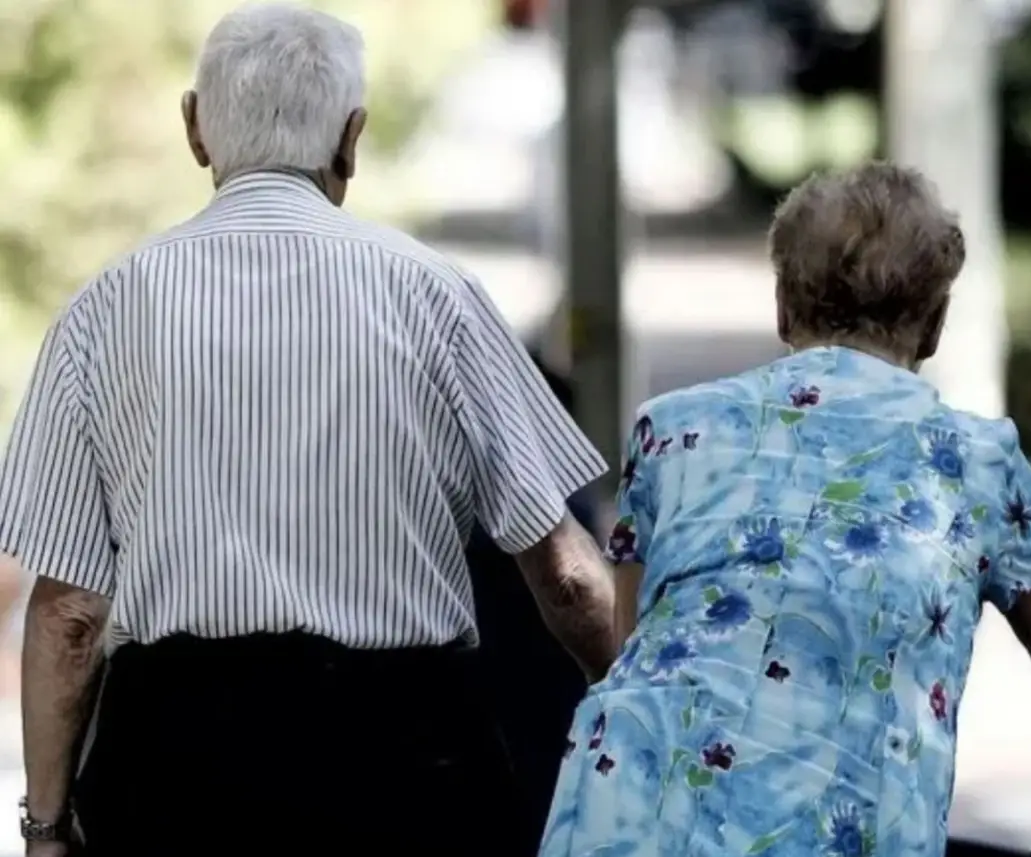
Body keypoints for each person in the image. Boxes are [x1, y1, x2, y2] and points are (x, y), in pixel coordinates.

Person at [0, 5, 616, 856]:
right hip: (406, 761)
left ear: (195, 128)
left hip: (176, 771)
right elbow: (568, 577)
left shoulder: (103, 312)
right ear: (351, 139)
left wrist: (46, 825)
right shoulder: (437, 298)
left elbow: (69, 613)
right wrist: (627, 697)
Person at [538, 163, 1031, 857]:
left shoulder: (670, 430)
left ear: (783, 305)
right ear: (934, 325)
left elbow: (630, 642)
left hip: (625, 820)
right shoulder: (976, 459)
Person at [467, 351, 597, 854]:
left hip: (482, 681)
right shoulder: (564, 503)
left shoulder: (465, 490)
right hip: (549, 680)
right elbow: (576, 584)